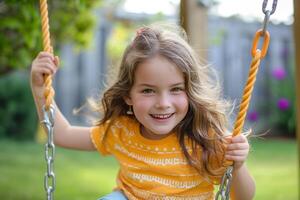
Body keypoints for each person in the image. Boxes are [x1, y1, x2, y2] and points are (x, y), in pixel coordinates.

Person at [30, 24, 255, 200]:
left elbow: (243, 197)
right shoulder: (122, 131)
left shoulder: (205, 137)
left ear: (190, 91)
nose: (163, 103)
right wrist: (40, 91)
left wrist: (239, 165)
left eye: (176, 89)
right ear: (128, 94)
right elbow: (62, 134)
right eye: (148, 90)